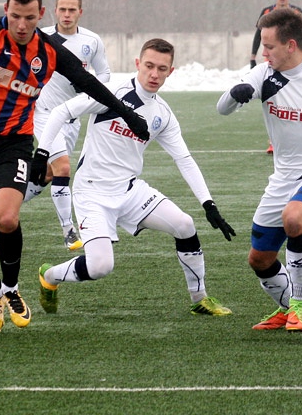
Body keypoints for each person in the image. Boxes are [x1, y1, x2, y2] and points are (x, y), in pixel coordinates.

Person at [0, 0, 149, 335]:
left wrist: (126, 113)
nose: (21, 25)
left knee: (7, 219)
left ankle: (11, 289)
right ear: (6, 11)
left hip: (14, 143)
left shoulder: (49, 50)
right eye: (15, 17)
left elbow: (90, 83)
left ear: (40, 14)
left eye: (29, 18)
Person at [34, 38, 235, 317]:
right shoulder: (111, 92)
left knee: (185, 225)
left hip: (130, 191)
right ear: (138, 63)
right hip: (91, 193)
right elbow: (61, 111)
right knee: (100, 266)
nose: (154, 74)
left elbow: (184, 159)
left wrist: (208, 204)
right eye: (149, 66)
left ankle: (200, 299)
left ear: (170, 72)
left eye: (161, 69)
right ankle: (50, 276)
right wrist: (42, 152)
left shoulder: (163, 114)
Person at [217, 8, 302, 332]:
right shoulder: (263, 74)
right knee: (259, 259)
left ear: (291, 45)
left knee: (294, 218)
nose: (264, 53)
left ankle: (299, 306)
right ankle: (286, 308)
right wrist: (235, 94)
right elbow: (223, 108)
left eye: (269, 46)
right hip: (282, 180)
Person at [25, 0, 111, 252]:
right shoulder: (41, 37)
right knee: (63, 168)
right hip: (44, 114)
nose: (66, 14)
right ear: (55, 11)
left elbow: (105, 74)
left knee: (49, 173)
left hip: (72, 119)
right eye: (62, 9)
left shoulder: (92, 41)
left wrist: (89, 86)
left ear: (80, 12)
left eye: (72, 10)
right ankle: (68, 231)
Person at [250, 0, 302, 155]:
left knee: (296, 99)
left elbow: (300, 37)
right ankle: (274, 141)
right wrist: (253, 56)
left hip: (293, 64)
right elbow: (259, 35)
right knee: (273, 101)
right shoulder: (267, 12)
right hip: (273, 64)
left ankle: (297, 137)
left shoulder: (297, 12)